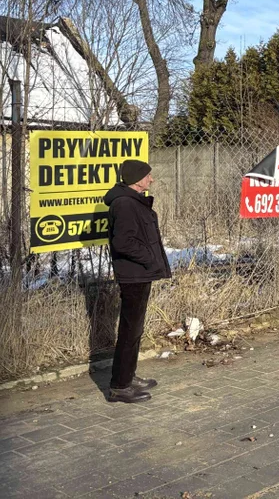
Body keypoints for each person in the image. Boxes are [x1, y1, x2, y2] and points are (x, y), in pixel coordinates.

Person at [103, 160, 172, 403]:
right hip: (134, 274)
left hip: (139, 273)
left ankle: (127, 376)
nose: (151, 179)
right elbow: (123, 242)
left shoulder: (131, 201)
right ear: (136, 178)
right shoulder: (124, 204)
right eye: (147, 175)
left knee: (134, 329)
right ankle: (119, 386)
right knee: (130, 330)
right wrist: (150, 259)